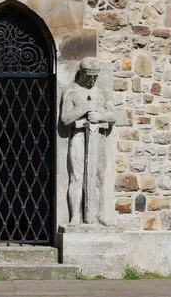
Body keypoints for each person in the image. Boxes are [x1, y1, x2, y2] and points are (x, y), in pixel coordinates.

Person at [60, 57, 115, 225]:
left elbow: (113, 115)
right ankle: (75, 216)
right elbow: (64, 118)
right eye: (89, 75)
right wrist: (83, 108)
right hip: (78, 137)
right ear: (82, 73)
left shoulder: (103, 92)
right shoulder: (71, 91)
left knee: (98, 177)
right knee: (76, 177)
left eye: (95, 76)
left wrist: (100, 115)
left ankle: (98, 214)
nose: (92, 79)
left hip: (98, 138)